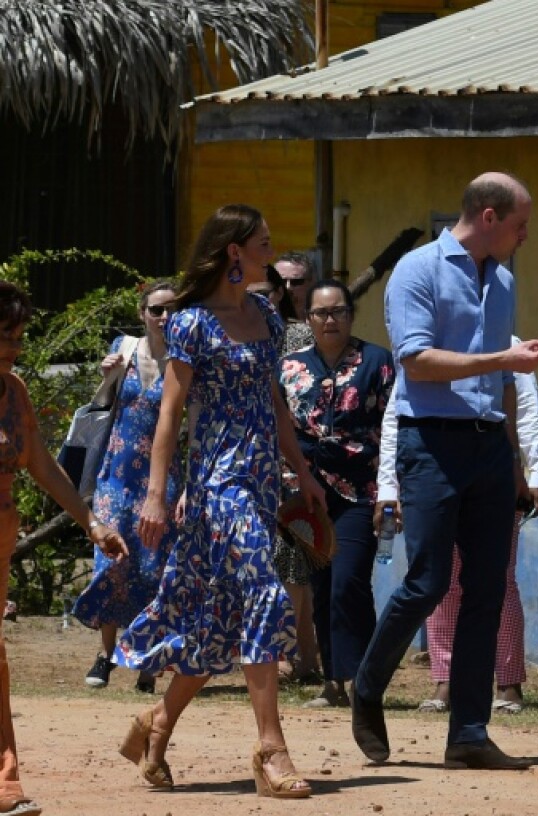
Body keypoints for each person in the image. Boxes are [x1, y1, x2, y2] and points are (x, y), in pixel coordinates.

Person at [116, 204, 326, 798]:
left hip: (261, 483)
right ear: (235, 251)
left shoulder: (266, 314)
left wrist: (302, 471)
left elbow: (273, 401)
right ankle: (270, 750)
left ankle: (156, 725)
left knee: (220, 622)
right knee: (266, 590)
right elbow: (170, 413)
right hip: (218, 485)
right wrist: (156, 496)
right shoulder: (191, 324)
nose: (271, 252)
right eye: (263, 243)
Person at [350, 172, 538, 771]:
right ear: (488, 217)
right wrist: (502, 357)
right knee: (429, 581)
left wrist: (515, 458)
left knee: (488, 588)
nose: (525, 236)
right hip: (431, 443)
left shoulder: (504, 280)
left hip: (490, 449)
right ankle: (367, 687)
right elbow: (416, 361)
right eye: (519, 225)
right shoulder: (417, 270)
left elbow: (503, 383)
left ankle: (468, 732)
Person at [0, 282, 127, 816]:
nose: (15, 346)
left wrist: (91, 522)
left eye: (19, 336)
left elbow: (41, 464)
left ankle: (5, 779)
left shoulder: (13, 391)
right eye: (5, 335)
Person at [375, 345, 538, 714]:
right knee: (439, 581)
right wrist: (388, 488)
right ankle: (445, 680)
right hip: (435, 475)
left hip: (495, 474)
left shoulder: (508, 344)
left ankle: (508, 683)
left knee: (497, 580)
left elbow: (529, 412)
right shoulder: (424, 351)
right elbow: (397, 417)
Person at [279, 279, 395, 709]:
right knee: (323, 586)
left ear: (351, 314)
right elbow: (278, 429)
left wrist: (392, 492)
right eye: (321, 313)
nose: (330, 320)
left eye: (338, 311)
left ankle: (364, 679)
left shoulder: (378, 362)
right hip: (306, 493)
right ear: (308, 318)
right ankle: (333, 682)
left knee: (350, 581)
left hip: (361, 490)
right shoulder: (288, 367)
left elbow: (393, 427)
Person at [74, 281, 181, 695]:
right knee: (111, 561)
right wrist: (108, 376)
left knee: (154, 567)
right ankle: (105, 654)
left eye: (172, 309)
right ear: (142, 313)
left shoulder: (186, 358)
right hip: (116, 472)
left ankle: (148, 662)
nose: (164, 317)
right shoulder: (125, 347)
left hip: (162, 477)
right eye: (157, 309)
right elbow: (102, 404)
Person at [269, 251, 324, 686]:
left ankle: (293, 653)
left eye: (296, 281)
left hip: (297, 458)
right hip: (253, 457)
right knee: (280, 562)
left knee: (294, 560)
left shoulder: (308, 334)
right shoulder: (245, 330)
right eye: (280, 282)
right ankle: (302, 655)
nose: (288, 290)